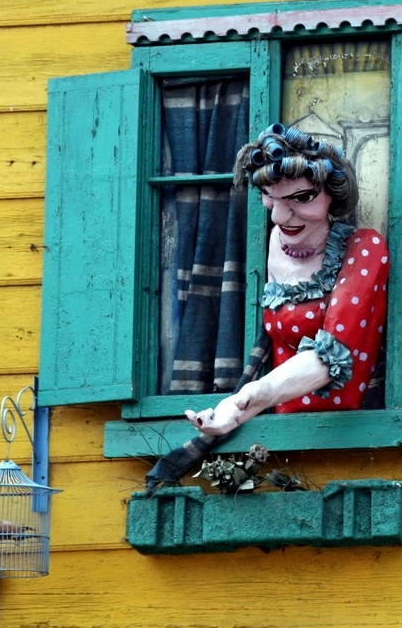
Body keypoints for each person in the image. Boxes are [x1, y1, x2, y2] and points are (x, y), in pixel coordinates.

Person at [147, 124, 388, 485]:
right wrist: (232, 413)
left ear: (333, 196)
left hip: (348, 442)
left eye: (300, 199)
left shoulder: (364, 248)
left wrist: (253, 393)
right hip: (281, 439)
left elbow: (330, 360)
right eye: (270, 198)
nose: (278, 216)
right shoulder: (276, 240)